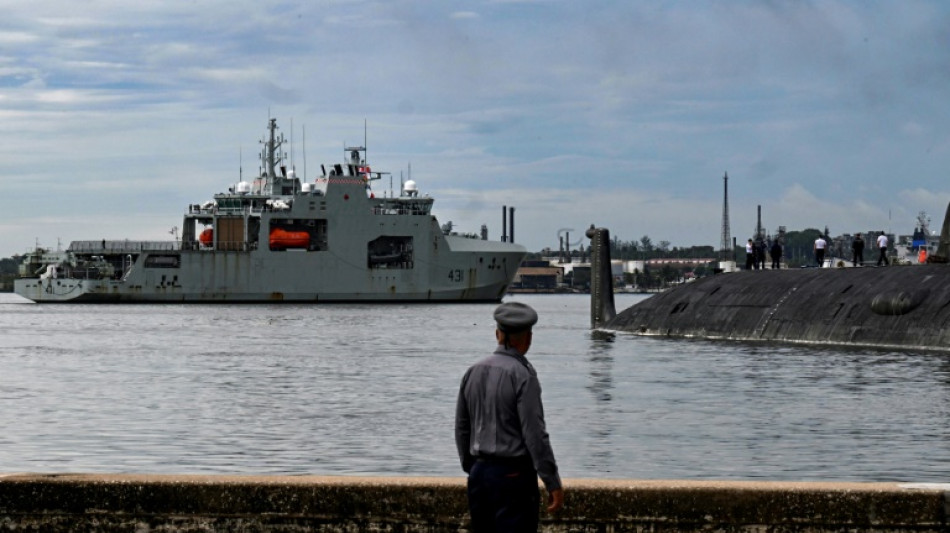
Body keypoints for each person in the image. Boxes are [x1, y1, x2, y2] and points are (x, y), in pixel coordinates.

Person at [455, 302, 564, 532]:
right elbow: (535, 434)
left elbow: (462, 427)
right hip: (513, 476)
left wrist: (472, 467)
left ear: (497, 334)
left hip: (479, 474)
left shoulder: (472, 371)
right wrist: (551, 480)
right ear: (528, 339)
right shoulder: (523, 375)